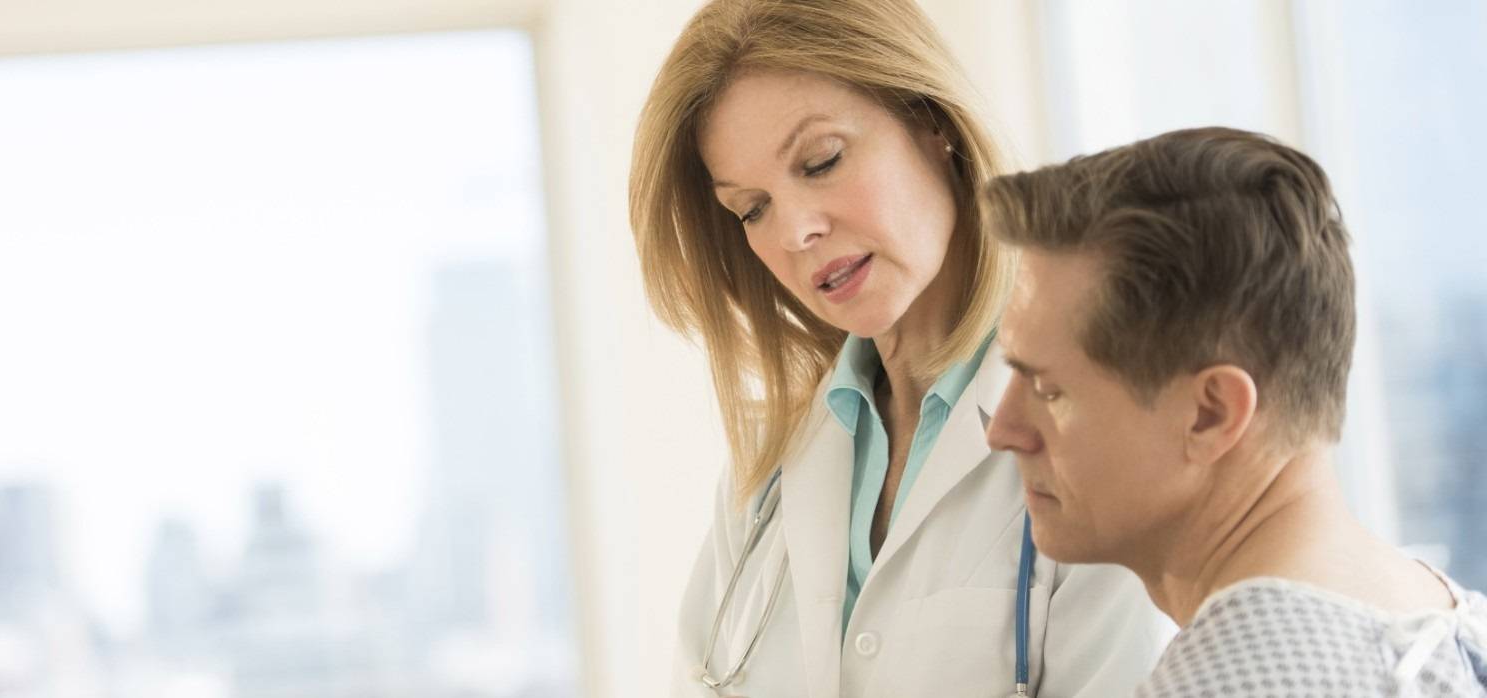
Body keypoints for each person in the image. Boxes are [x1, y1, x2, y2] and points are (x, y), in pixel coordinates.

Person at [629, 0, 1172, 694]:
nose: (794, 231)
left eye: (820, 162)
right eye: (752, 209)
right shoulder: (767, 475)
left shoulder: (1102, 429)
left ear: (931, 122)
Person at [983, 126, 1487, 696]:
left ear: (1211, 414)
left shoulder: (1220, 686)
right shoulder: (1446, 631)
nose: (1003, 430)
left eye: (1048, 390)